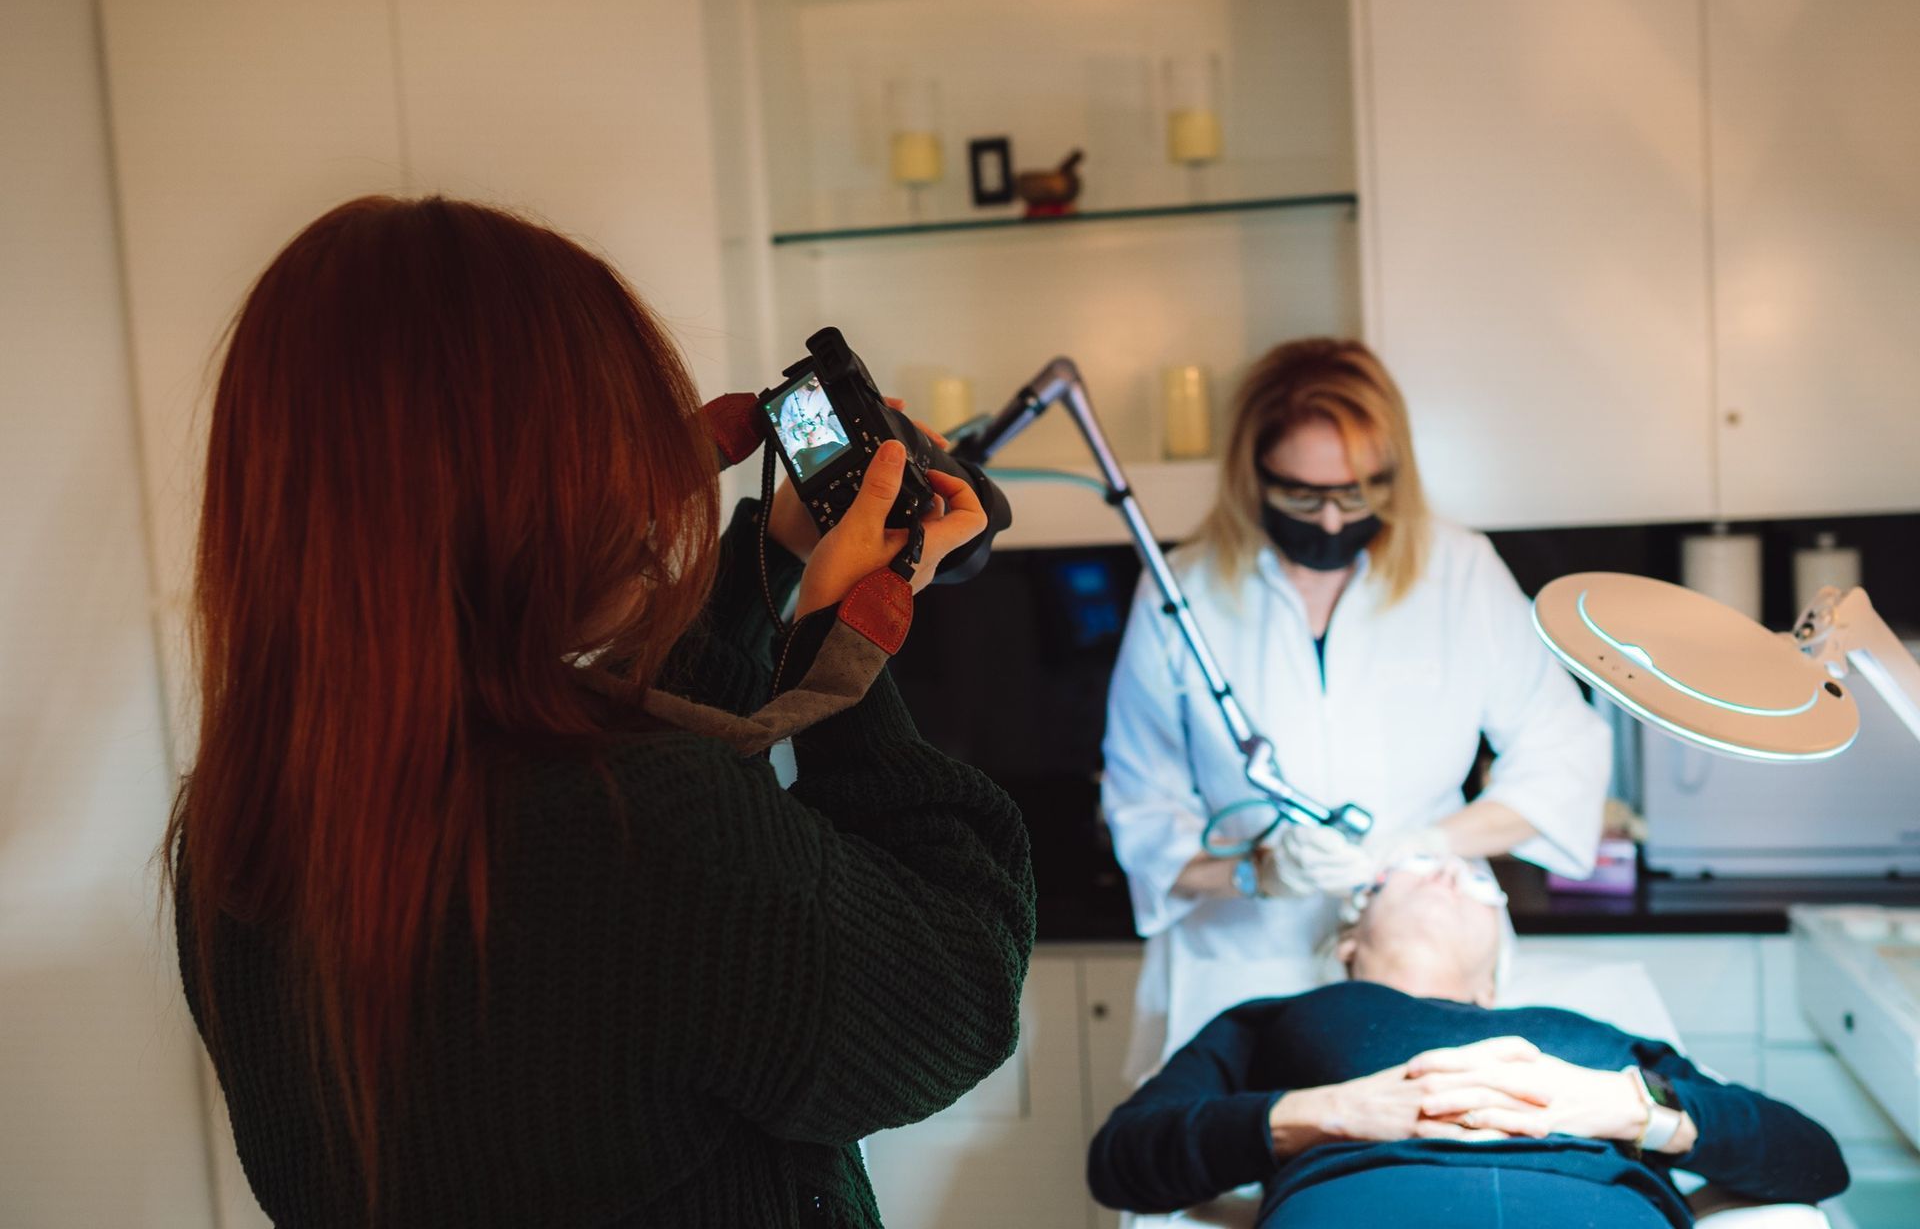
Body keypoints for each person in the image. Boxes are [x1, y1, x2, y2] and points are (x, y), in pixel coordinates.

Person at [163, 195, 1036, 1229]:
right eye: (611, 439)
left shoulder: (239, 829)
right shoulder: (639, 827)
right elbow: (954, 988)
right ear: (509, 483)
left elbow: (629, 915)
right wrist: (844, 638)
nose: (650, 481)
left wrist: (780, 560)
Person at [1100, 338, 1613, 1076]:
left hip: (1424, 974)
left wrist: (1424, 844)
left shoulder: (1458, 573)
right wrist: (1255, 872)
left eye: (1360, 491)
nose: (1335, 522)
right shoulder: (1183, 594)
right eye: (1304, 496)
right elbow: (1142, 813)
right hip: (1239, 967)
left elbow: (1563, 756)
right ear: (1253, 476)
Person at [1087, 858, 1849, 1228]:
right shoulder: (1273, 1020)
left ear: (1496, 972)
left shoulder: (1607, 1044)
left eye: (1478, 882)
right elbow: (1121, 1160)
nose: (1447, 872)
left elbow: (1813, 1158)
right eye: (1404, 870)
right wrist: (1329, 1113)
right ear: (1348, 936)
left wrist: (1630, 1108)